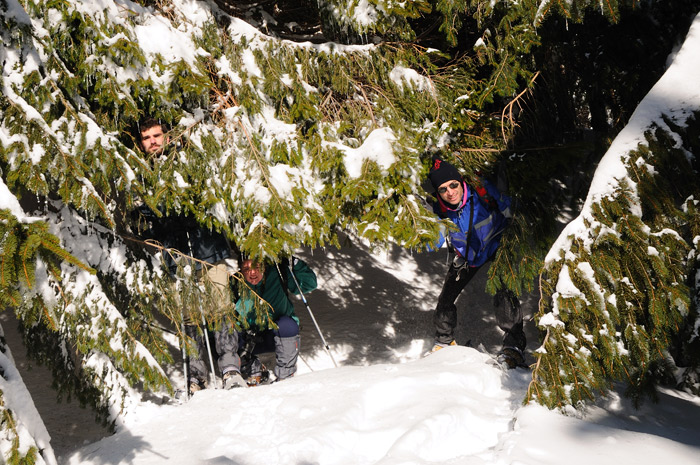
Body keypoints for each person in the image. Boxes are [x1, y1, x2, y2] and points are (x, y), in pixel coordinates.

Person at [133, 117, 244, 393]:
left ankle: (230, 369)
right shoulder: (141, 175)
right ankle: (196, 374)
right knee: (189, 317)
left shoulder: (186, 161)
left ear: (167, 137)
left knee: (220, 308)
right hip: (176, 257)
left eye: (156, 135)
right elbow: (147, 222)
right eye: (147, 138)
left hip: (208, 248)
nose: (153, 142)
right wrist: (145, 210)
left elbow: (203, 198)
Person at [426, 154, 526, 368]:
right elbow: (433, 243)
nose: (450, 192)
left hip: (496, 246)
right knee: (446, 299)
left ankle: (513, 347)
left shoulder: (481, 190)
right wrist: (426, 221)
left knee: (505, 295)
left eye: (453, 185)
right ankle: (444, 343)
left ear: (461, 181)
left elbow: (510, 207)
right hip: (467, 257)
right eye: (443, 189)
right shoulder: (440, 209)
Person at [214, 256, 317, 385]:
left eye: (256, 267)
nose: (252, 272)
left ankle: (285, 375)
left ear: (264, 266)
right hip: (246, 341)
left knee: (288, 325)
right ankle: (245, 369)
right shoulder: (236, 281)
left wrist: (295, 263)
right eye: (246, 268)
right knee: (222, 330)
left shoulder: (279, 273)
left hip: (275, 336)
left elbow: (309, 284)